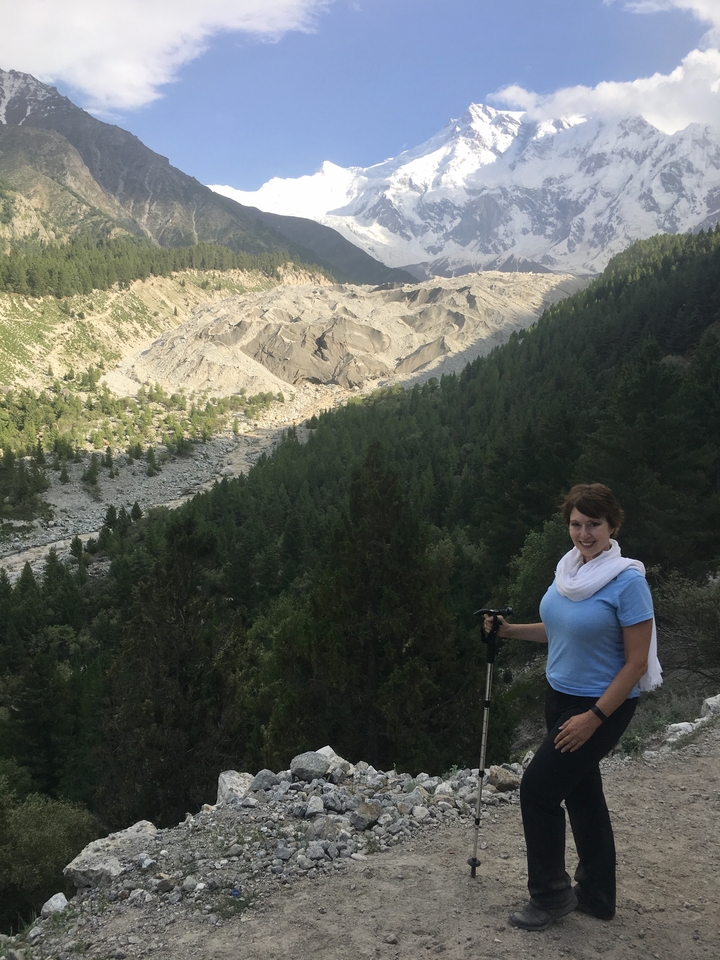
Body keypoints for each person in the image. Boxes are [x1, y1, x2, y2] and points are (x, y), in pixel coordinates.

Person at [486, 483, 662, 932]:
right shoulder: (570, 571)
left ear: (613, 526)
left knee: (537, 791)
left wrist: (594, 718)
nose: (584, 534)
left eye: (594, 525)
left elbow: (636, 662)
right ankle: (598, 895)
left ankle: (549, 896)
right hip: (560, 697)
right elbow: (558, 628)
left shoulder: (627, 582)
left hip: (600, 705)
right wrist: (507, 633)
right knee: (582, 795)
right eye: (576, 524)